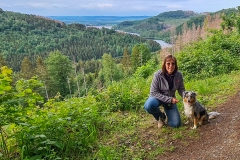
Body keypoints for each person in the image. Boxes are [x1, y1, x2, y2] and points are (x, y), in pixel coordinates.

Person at [144, 54, 185, 129]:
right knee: (148, 106)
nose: (171, 66)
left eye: (173, 64)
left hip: (170, 101)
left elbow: (181, 90)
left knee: (176, 124)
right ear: (164, 64)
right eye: (168, 64)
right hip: (157, 98)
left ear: (175, 65)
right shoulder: (158, 75)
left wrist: (186, 97)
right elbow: (153, 92)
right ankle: (161, 117)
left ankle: (169, 115)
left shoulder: (179, 75)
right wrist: (170, 99)